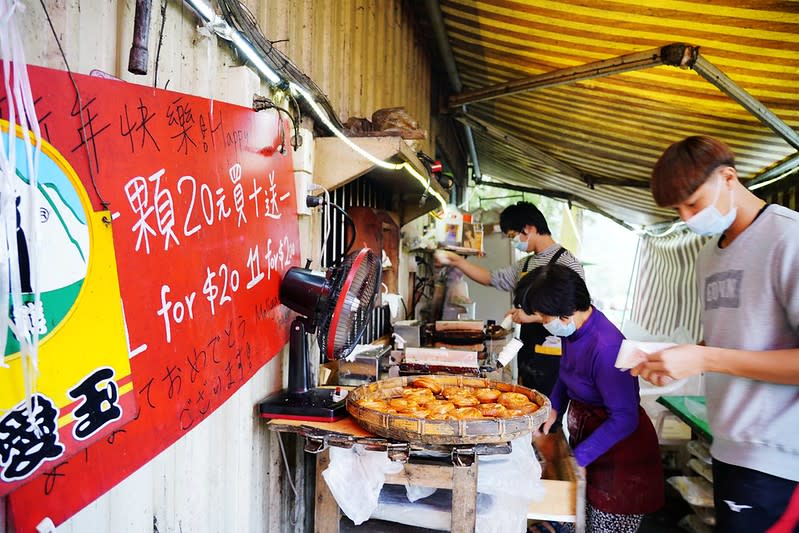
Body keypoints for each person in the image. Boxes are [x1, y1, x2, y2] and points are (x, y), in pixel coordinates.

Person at [632, 135, 799, 532]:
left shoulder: (788, 239)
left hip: (779, 458)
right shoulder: (711, 254)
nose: (688, 218)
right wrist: (682, 358)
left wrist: (704, 358)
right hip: (728, 446)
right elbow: (734, 341)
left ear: (728, 177)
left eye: (693, 203)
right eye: (678, 209)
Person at [517, 264, 664, 532]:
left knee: (600, 525)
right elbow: (567, 372)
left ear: (563, 314)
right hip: (590, 440)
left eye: (542, 317)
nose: (543, 323)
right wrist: (554, 407)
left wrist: (579, 458)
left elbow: (625, 418)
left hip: (620, 455)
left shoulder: (607, 346)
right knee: (578, 518)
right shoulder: (573, 331)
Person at [437, 201, 584, 398]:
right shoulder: (525, 264)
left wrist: (530, 317)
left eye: (513, 236)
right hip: (527, 350)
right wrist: (457, 261)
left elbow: (576, 314)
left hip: (554, 354)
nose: (513, 242)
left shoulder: (567, 262)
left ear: (529, 228)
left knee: (548, 412)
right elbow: (492, 278)